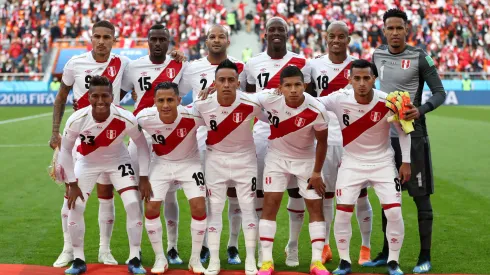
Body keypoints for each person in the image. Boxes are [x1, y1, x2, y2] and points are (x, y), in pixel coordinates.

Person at [367, 9, 446, 274]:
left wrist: (420, 110)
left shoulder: (420, 56)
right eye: (390, 28)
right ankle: (386, 252)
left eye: (399, 28)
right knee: (387, 198)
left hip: (414, 136)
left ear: (407, 29)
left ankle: (425, 256)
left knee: (420, 197)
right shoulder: (377, 55)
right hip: (384, 139)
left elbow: (440, 93)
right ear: (384, 30)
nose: (395, 33)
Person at [317, 59, 411, 275]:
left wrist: (406, 162)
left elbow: (404, 131)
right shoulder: (339, 99)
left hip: (383, 163)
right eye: (356, 78)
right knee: (342, 214)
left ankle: (394, 262)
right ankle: (344, 262)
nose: (361, 83)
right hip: (351, 163)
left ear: (374, 79)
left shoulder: (389, 101)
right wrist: (284, 94)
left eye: (366, 78)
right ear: (349, 80)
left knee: (394, 212)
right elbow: (312, 102)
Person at [50, 20, 131, 268]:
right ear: (91, 38)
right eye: (98, 36)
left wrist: (109, 109)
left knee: (106, 195)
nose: (102, 41)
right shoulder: (75, 63)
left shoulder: (122, 63)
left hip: (110, 140)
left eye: (107, 37)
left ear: (113, 40)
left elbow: (126, 90)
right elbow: (61, 98)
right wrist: (55, 131)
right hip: (80, 139)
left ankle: (104, 251)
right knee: (71, 196)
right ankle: (68, 249)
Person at [57, 75, 150, 275]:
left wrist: (143, 178)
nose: (101, 101)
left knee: (133, 203)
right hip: (87, 162)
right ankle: (79, 259)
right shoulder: (77, 119)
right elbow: (65, 150)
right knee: (76, 206)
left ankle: (134, 258)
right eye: (96, 96)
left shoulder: (126, 117)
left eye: (105, 96)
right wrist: (72, 183)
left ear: (112, 96)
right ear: (89, 97)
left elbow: (142, 146)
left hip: (118, 161)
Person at [243, 16, 312, 268]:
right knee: (262, 191)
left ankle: (292, 246)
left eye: (280, 30)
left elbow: (310, 99)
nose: (276, 33)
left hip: (296, 131)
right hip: (263, 130)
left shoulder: (303, 62)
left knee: (296, 190)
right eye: (271, 29)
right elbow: (249, 99)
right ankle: (265, 252)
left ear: (287, 33)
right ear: (265, 34)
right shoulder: (252, 64)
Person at [179, 24, 246, 265]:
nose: (216, 40)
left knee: (235, 193)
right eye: (211, 36)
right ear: (206, 41)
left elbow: (247, 97)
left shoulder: (240, 67)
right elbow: (178, 96)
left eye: (221, 36)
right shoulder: (193, 68)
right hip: (202, 137)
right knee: (208, 192)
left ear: (228, 41)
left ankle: (233, 246)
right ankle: (207, 245)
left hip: (234, 136)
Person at [121, 24, 187, 265]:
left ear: (169, 42)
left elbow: (184, 96)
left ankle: (172, 248)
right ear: (147, 41)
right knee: (137, 193)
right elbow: (116, 95)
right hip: (140, 135)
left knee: (169, 195)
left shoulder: (179, 65)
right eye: (154, 39)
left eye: (162, 39)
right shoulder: (134, 67)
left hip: (169, 137)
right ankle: (135, 251)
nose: (158, 43)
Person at [309, 21, 373, 265]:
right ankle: (325, 246)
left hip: (353, 137)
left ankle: (365, 248)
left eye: (341, 36)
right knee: (324, 195)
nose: (336, 40)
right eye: (331, 36)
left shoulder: (359, 66)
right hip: (324, 137)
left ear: (348, 39)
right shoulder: (314, 65)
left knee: (360, 194)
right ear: (326, 39)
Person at [255, 66, 330, 275]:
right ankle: (267, 261)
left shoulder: (317, 108)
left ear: (304, 86)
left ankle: (316, 262)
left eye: (298, 84)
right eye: (288, 85)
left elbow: (322, 143)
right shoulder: (269, 98)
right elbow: (242, 98)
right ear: (280, 88)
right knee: (270, 203)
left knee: (315, 207)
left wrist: (316, 173)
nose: (294, 89)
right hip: (276, 158)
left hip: (306, 159)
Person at [193, 59, 261, 275]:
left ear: (238, 82)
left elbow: (276, 117)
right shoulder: (201, 104)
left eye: (231, 80)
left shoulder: (251, 103)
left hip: (245, 161)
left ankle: (251, 259)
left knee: (248, 209)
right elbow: (182, 121)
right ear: (214, 83)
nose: (227, 84)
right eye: (221, 80)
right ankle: (214, 261)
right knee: (214, 211)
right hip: (215, 162)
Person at [137, 82, 207, 274]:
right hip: (160, 165)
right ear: (154, 102)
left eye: (170, 100)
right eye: (161, 100)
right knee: (151, 208)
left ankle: (195, 259)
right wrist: (142, 175)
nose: (165, 105)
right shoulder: (144, 117)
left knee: (199, 207)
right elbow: (131, 136)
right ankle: (161, 258)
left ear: (178, 100)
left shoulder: (193, 116)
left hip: (190, 164)